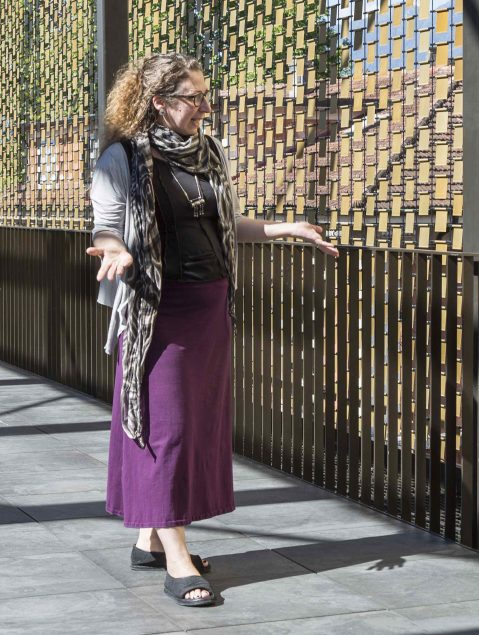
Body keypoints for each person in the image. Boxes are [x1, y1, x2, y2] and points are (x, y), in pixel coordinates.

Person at [88, 53, 338, 607]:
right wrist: (117, 251)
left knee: (193, 426)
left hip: (210, 307)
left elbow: (224, 224)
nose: (206, 107)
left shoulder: (209, 154)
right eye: (194, 97)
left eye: (206, 95)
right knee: (166, 429)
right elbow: (106, 226)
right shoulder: (122, 157)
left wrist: (286, 228)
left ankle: (150, 539)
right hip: (158, 310)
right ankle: (178, 562)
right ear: (159, 102)